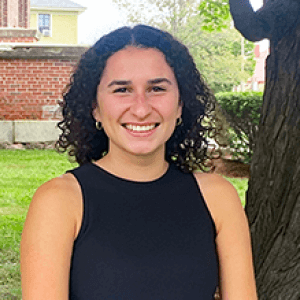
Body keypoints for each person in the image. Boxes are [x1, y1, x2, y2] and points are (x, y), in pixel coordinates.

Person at [20, 25, 257, 300]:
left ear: (181, 104)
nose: (142, 108)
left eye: (157, 88)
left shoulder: (218, 198)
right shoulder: (60, 201)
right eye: (122, 90)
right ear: (94, 106)